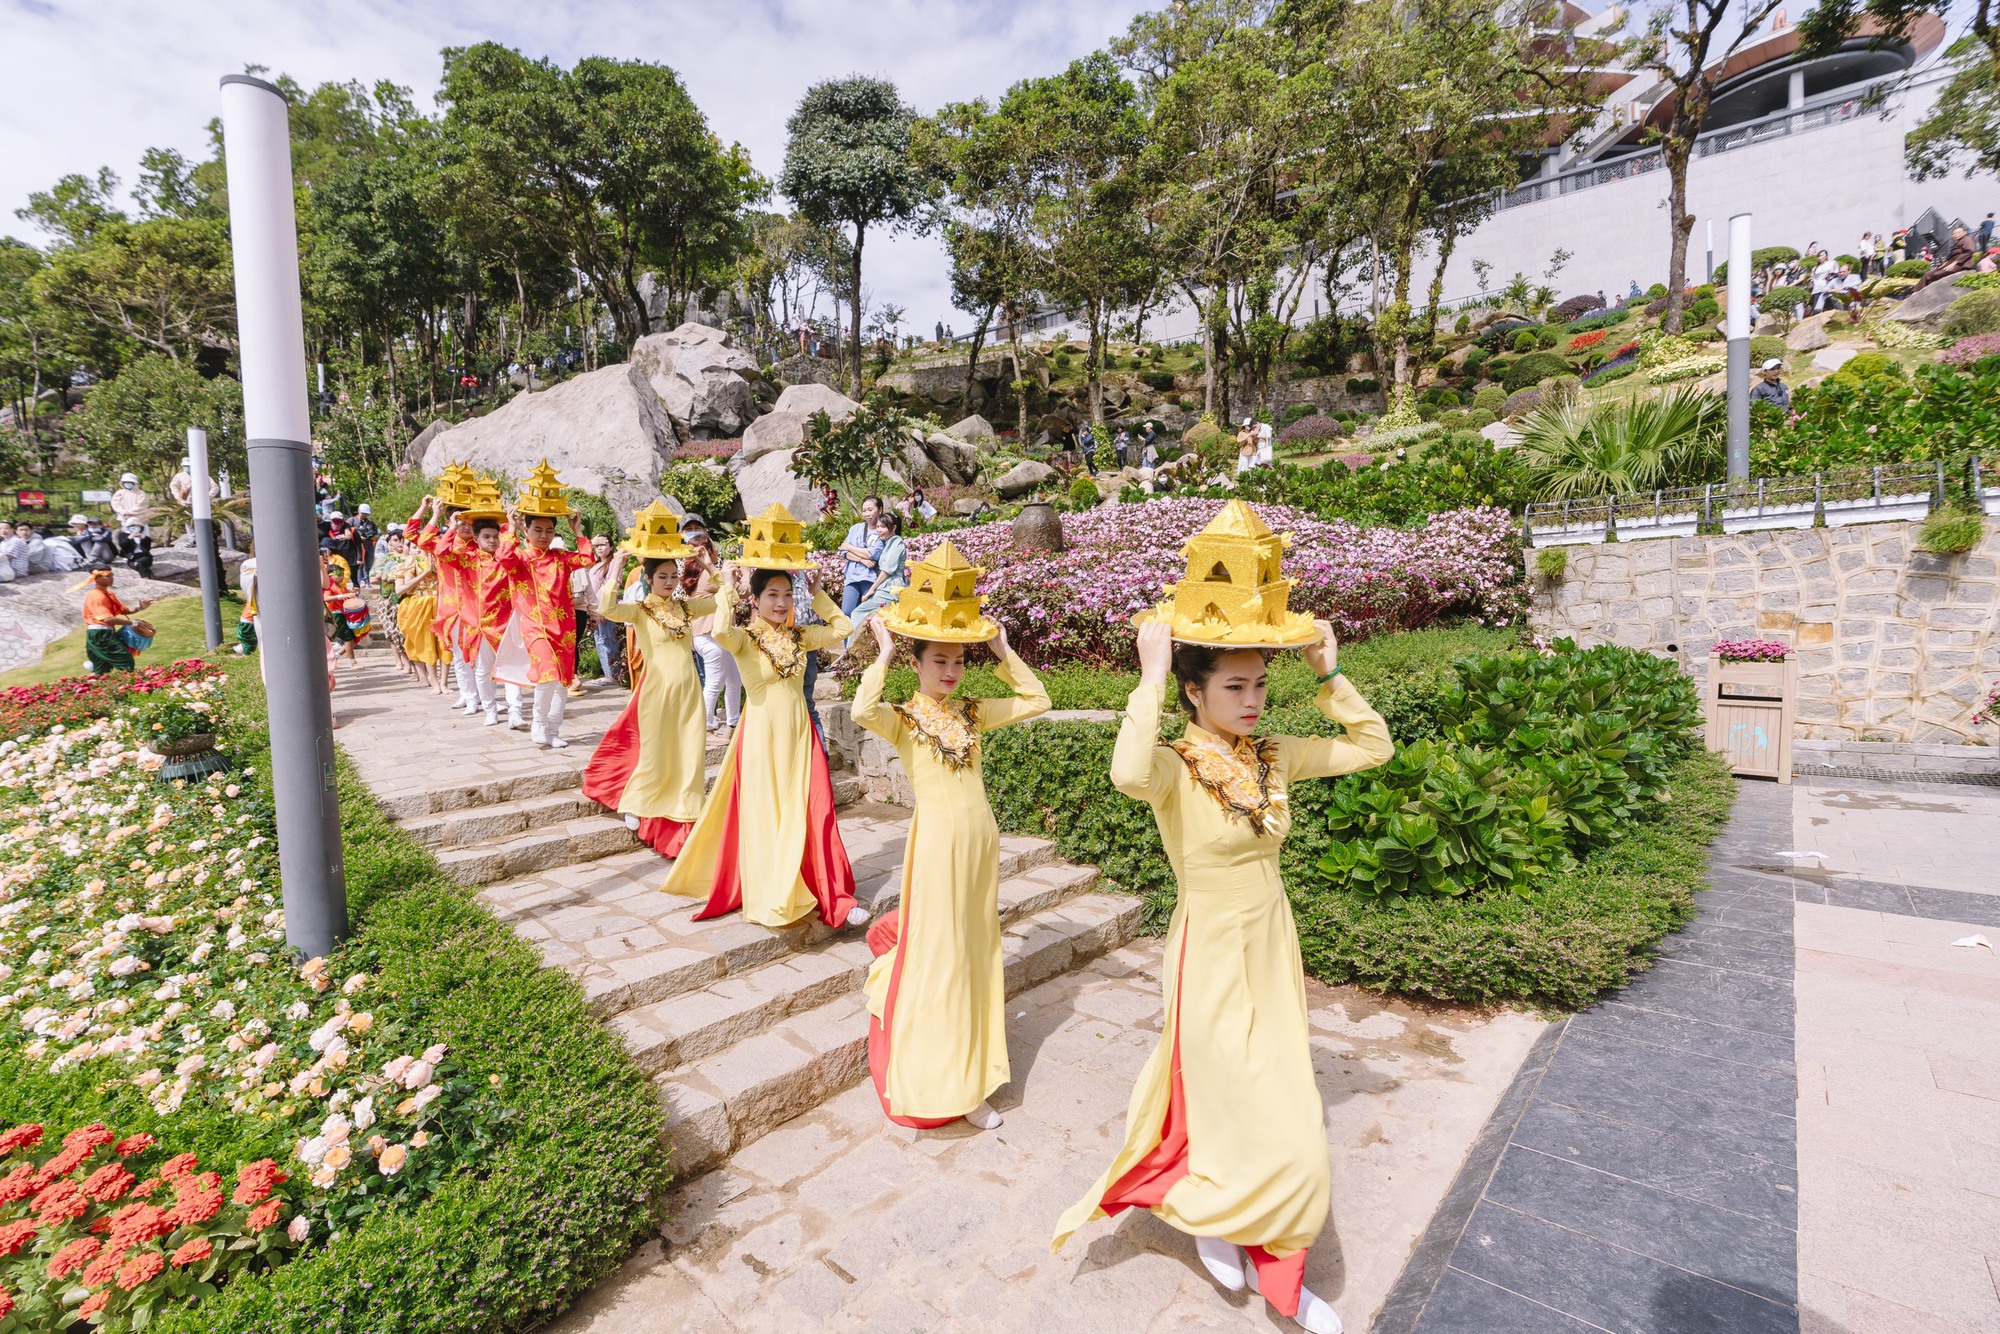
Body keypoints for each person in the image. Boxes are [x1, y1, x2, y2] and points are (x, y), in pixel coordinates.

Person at [1053, 617, 1392, 1334]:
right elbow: (1126, 773)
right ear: (1193, 691)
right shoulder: (1175, 765)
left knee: (1282, 1106)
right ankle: (1220, 1225)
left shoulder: (1274, 756)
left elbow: (1373, 746)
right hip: (1206, 951)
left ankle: (1272, 1257)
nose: (1253, 699)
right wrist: (1148, 676)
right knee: (1226, 1100)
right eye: (1234, 686)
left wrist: (1327, 673)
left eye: (1262, 683)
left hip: (1271, 947)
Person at [850, 606, 1049, 1131]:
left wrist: (1003, 651)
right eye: (939, 660)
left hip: (981, 844)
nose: (951, 671)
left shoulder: (973, 712)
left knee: (977, 953)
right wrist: (884, 651)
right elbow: (862, 709)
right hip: (936, 847)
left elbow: (1038, 699)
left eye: (959, 661)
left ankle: (974, 1076)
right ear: (917, 663)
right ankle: (949, 1082)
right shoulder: (904, 718)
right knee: (944, 959)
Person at [660, 564, 867, 931]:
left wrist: (817, 593)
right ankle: (774, 890)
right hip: (760, 740)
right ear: (755, 600)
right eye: (772, 594)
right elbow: (721, 630)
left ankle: (833, 894)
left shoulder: (800, 637)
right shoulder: (745, 639)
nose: (781, 602)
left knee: (816, 813)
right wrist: (728, 588)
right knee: (767, 816)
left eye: (787, 595)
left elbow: (843, 628)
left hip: (800, 737)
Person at [583, 543, 716, 856]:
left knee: (690, 752)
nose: (669, 582)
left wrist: (708, 564)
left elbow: (727, 597)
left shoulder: (686, 608)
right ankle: (636, 803)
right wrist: (615, 566)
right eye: (662, 577)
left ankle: (687, 810)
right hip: (657, 692)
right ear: (649, 578)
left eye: (673, 575)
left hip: (689, 693)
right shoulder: (640, 610)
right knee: (655, 753)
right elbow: (607, 609)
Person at [493, 503, 595, 747]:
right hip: (535, 627)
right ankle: (538, 723)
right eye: (537, 529)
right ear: (526, 531)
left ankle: (553, 729)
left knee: (563, 681)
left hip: (565, 628)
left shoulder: (560, 558)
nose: (543, 535)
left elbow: (587, 558)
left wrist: (577, 530)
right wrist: (510, 528)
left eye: (549, 531)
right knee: (548, 674)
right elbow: (504, 558)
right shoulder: (521, 558)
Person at [432, 499, 522, 728]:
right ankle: (490, 710)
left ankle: (515, 711)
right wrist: (452, 527)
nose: (492, 541)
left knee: (512, 670)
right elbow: (441, 552)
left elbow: (512, 550)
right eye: (486, 537)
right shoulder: (467, 560)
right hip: (478, 626)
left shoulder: (508, 560)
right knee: (482, 672)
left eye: (495, 536)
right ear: (476, 538)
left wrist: (511, 527)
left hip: (505, 625)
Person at [407, 495, 482, 716]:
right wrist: (431, 511)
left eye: (470, 523)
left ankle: (481, 696)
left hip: (478, 608)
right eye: (461, 522)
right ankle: (468, 695)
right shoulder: (443, 543)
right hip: (451, 607)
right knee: (459, 655)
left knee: (479, 655)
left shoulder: (482, 545)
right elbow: (411, 535)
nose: (466, 527)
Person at [683, 518, 740, 736]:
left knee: (733, 680)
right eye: (714, 547)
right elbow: (735, 593)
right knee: (716, 682)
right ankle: (706, 724)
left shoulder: (702, 572)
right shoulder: (708, 574)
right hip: (709, 634)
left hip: (717, 634)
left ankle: (732, 723)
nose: (717, 549)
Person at [842, 511, 909, 652]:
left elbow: (887, 571)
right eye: (878, 526)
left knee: (857, 612)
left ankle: (850, 651)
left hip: (891, 588)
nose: (879, 530)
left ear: (894, 527)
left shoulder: (896, 542)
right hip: (886, 588)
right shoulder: (887, 542)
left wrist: (871, 591)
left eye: (883, 527)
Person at [395, 541, 446, 694]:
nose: (418, 548)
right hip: (421, 603)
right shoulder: (413, 561)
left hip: (440, 602)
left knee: (444, 644)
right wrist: (426, 571)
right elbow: (401, 589)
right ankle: (434, 682)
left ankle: (444, 683)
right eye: (413, 546)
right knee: (427, 643)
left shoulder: (439, 558)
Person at [81, 567, 152, 675]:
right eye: (108, 576)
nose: (111, 578)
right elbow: (107, 618)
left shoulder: (108, 593)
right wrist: (132, 623)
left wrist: (140, 607)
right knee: (124, 659)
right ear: (97, 579)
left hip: (103, 633)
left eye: (112, 575)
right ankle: (131, 684)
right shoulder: (96, 596)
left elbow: (124, 610)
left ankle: (98, 686)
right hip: (100, 634)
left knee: (102, 667)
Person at [837, 496, 885, 618]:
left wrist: (850, 547)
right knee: (847, 612)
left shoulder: (882, 532)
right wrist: (861, 559)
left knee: (868, 614)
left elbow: (872, 554)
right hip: (852, 576)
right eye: (864, 510)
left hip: (870, 578)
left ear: (880, 510)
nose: (867, 514)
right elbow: (844, 552)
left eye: (870, 509)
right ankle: (848, 638)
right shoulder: (855, 529)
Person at [1916, 225, 1980, 290]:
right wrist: (1940, 265)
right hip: (1950, 263)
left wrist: (1954, 263)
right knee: (1928, 274)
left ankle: (1929, 290)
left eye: (1958, 233)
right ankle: (1916, 292)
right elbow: (1950, 258)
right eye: (1954, 233)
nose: (1956, 235)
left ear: (1964, 233)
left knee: (1936, 274)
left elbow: (1969, 252)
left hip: (1961, 265)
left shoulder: (1967, 239)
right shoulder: (1958, 242)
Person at [109, 473, 148, 537]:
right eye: (125, 482)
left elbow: (141, 505)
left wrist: (131, 512)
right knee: (126, 536)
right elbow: (115, 503)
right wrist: (123, 512)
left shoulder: (141, 494)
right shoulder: (120, 493)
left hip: (139, 518)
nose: (127, 484)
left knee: (142, 535)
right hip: (124, 518)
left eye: (129, 482)